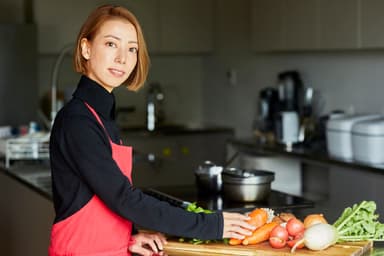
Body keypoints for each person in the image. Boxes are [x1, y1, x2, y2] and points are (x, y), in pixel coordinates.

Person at [48, 4, 255, 256]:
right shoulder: (77, 120)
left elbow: (102, 195)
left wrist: (129, 235)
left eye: (132, 49)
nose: (123, 58)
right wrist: (210, 225)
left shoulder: (101, 116)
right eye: (111, 44)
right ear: (86, 48)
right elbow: (123, 197)